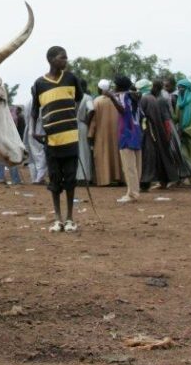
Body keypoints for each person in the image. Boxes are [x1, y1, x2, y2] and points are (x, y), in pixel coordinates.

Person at [30, 46, 86, 232]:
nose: (66, 60)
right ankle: (57, 218)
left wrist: (72, 116)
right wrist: (32, 131)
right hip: (51, 140)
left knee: (70, 179)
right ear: (51, 60)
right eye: (63, 57)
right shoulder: (39, 84)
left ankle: (70, 218)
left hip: (70, 138)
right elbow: (34, 111)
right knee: (54, 180)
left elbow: (78, 99)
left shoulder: (71, 79)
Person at [111, 76, 143, 202]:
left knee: (128, 166)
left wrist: (112, 98)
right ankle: (133, 190)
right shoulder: (134, 96)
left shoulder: (124, 96)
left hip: (126, 133)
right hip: (136, 132)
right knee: (136, 166)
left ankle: (132, 194)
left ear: (120, 87)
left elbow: (122, 110)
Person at [88, 80, 123, 186]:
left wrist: (90, 134)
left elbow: (93, 120)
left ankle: (104, 180)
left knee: (103, 155)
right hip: (117, 133)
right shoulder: (117, 100)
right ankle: (118, 178)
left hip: (101, 135)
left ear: (99, 89)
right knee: (117, 156)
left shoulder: (97, 101)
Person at [74, 78, 96, 184]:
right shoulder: (87, 97)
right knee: (85, 150)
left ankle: (77, 176)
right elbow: (92, 109)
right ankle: (85, 176)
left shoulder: (72, 97)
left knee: (76, 150)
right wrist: (87, 120)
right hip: (83, 125)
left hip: (73, 126)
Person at [0, 105, 24, 185]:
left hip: (0, 138)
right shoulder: (16, 117)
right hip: (10, 139)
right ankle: (15, 179)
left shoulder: (2, 114)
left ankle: (0, 177)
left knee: (0, 158)